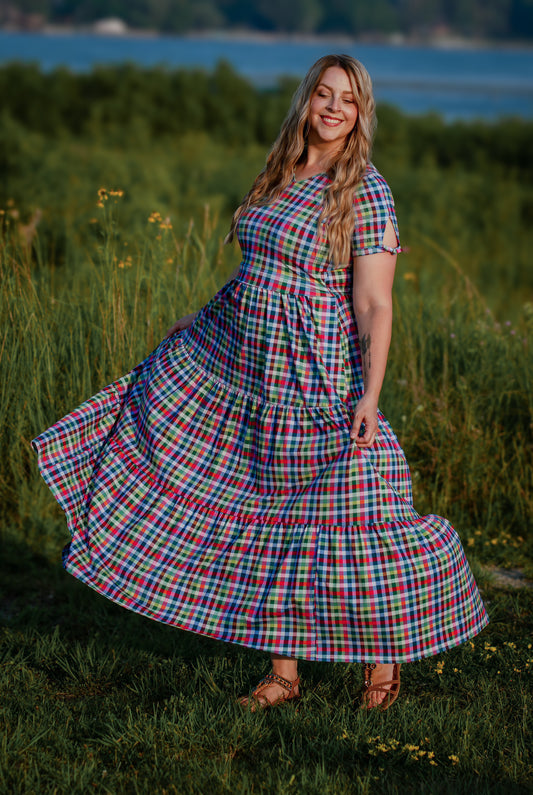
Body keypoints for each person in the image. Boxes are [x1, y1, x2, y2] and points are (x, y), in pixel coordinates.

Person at [31, 54, 488, 712]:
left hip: (318, 374)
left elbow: (374, 305)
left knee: (355, 508)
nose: (332, 107)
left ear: (361, 113)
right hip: (248, 370)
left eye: (347, 99)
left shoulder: (366, 190)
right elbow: (257, 273)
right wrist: (202, 319)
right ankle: (282, 672)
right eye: (323, 94)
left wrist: (369, 394)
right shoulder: (278, 171)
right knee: (267, 510)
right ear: (305, 100)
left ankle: (381, 660)